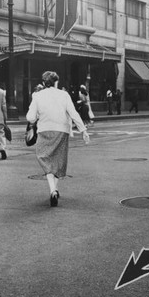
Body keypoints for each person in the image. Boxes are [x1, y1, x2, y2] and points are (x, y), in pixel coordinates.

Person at [26, 71, 90, 207]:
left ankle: (52, 190)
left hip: (44, 130)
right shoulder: (64, 94)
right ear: (56, 82)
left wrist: (37, 114)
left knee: (46, 159)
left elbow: (30, 118)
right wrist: (83, 130)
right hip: (61, 130)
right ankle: (55, 189)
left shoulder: (37, 96)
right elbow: (73, 113)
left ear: (44, 83)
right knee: (58, 160)